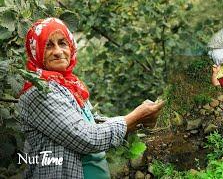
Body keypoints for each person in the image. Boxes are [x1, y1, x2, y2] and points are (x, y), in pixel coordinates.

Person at [18, 18, 164, 179]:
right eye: (48, 45)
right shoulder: (40, 91)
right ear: (36, 51)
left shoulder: (69, 84)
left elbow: (92, 124)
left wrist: (139, 120)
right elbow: (87, 138)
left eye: (62, 43)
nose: (58, 51)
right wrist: (134, 117)